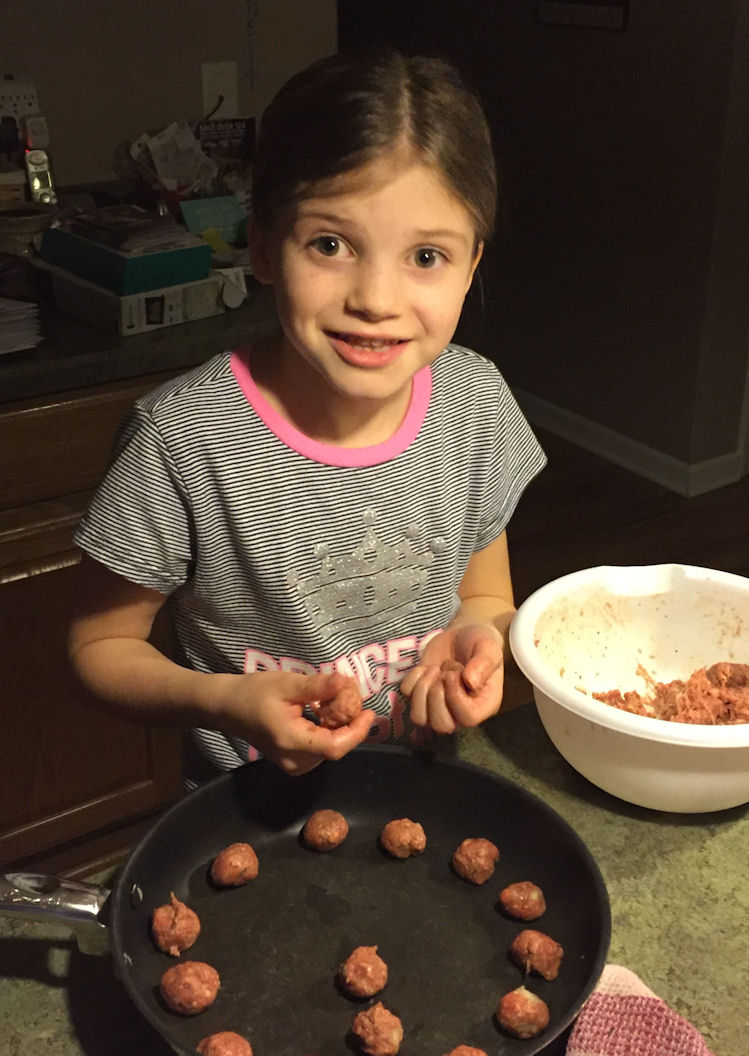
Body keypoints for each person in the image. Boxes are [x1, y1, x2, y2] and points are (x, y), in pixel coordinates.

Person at [67, 49, 546, 788]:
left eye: (426, 255)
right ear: (262, 245)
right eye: (330, 244)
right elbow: (100, 646)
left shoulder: (475, 405)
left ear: (471, 265)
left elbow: (485, 597)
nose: (376, 298)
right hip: (246, 814)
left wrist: (478, 639)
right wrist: (225, 701)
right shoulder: (182, 441)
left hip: (430, 784)